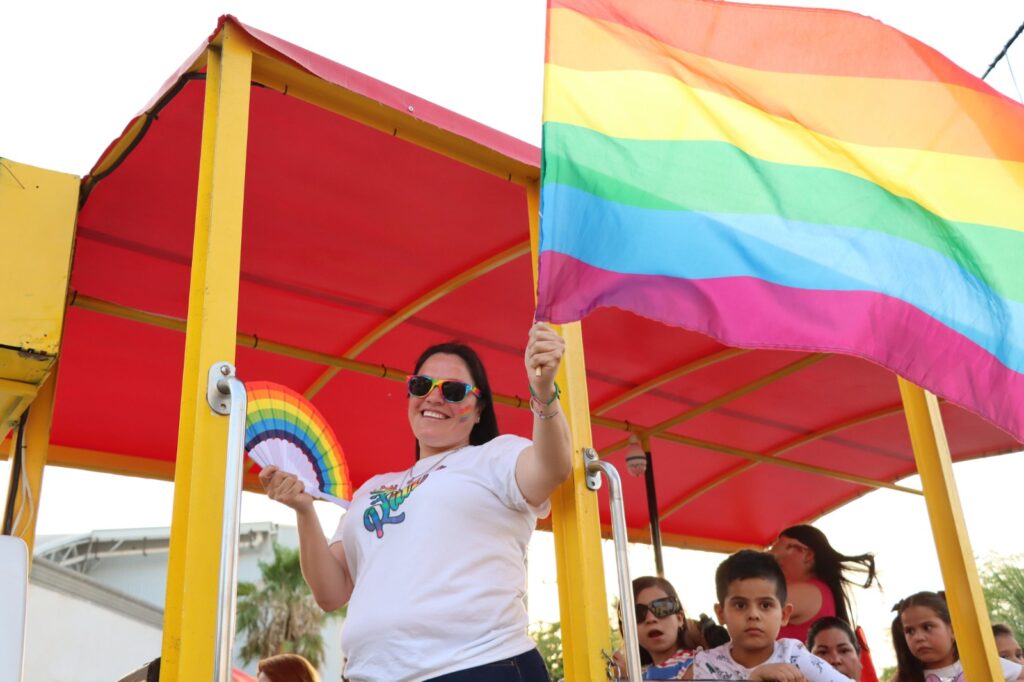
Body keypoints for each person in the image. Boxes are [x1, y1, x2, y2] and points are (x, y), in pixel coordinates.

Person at [259, 323, 571, 682]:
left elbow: (552, 468)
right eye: (422, 386)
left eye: (453, 391)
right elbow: (331, 593)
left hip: (478, 665)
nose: (434, 398)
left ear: (480, 408)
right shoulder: (373, 488)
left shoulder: (494, 457)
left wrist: (544, 391)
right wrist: (304, 509)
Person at [685, 550, 853, 681]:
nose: (753, 615)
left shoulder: (794, 655)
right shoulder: (707, 665)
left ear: (784, 615)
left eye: (765, 605)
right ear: (721, 614)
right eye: (740, 605)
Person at [769, 525, 876, 643]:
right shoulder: (820, 591)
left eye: (777, 544)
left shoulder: (809, 592)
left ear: (807, 554)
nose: (772, 550)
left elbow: (752, 602)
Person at [891, 591, 1024, 681]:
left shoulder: (981, 664)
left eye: (927, 627)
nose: (918, 637)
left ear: (953, 630)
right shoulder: (906, 678)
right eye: (910, 631)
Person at [614, 576, 703, 679]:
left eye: (662, 608)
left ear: (679, 619)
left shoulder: (698, 663)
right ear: (626, 631)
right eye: (638, 614)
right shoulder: (640, 671)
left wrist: (630, 678)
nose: (651, 619)